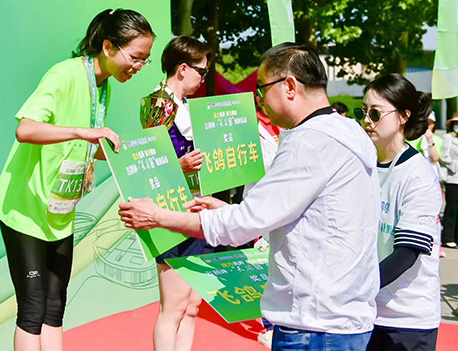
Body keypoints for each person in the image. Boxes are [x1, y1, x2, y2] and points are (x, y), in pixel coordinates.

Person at [119, 42, 380, 351]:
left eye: (262, 89)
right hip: (340, 317)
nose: (260, 100)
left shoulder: (308, 143)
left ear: (290, 86)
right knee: (177, 307)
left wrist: (158, 216)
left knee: (187, 307)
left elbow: (245, 223)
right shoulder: (348, 133)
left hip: (313, 324)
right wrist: (224, 208)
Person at [0, 9, 154, 351]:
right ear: (108, 47)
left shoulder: (104, 87)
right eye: (135, 57)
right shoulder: (65, 73)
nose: (138, 66)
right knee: (32, 308)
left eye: (145, 60)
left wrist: (137, 155)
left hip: (60, 211)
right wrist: (84, 131)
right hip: (25, 208)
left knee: (55, 306)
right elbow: (26, 129)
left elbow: (87, 145)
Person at [353, 74, 441, 351]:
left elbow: (407, 253)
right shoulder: (361, 165)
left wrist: (356, 288)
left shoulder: (418, 175)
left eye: (376, 113)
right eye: (362, 111)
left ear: (404, 116)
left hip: (408, 320)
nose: (367, 120)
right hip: (364, 313)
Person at [149, 36, 213, 351]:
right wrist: (180, 165)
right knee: (173, 306)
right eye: (202, 71)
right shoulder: (158, 104)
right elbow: (148, 163)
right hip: (170, 211)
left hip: (197, 208)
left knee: (191, 306)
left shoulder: (190, 107)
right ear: (184, 69)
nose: (204, 79)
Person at [442, 114, 458, 248]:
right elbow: (444, 157)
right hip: (453, 178)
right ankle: (448, 237)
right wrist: (455, 165)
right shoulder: (448, 138)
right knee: (451, 208)